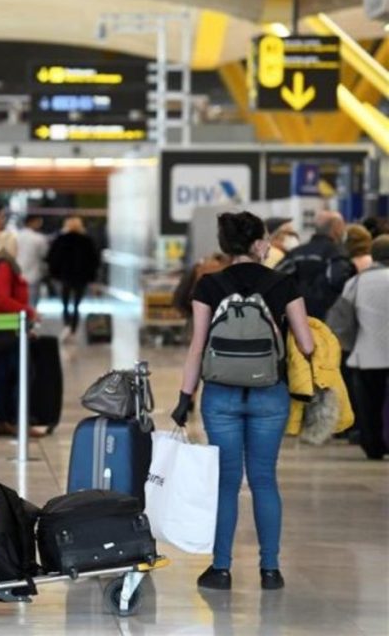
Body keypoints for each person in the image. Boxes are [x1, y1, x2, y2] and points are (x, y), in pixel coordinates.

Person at [171, 211, 314, 592]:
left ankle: (220, 569)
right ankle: (270, 570)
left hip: (220, 396)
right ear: (257, 244)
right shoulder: (283, 283)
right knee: (265, 480)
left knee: (227, 483)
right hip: (270, 393)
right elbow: (307, 344)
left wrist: (186, 397)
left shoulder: (209, 284)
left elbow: (197, 347)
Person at [0, 231, 41, 436]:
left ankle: (2, 420)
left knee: (0, 376)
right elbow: (2, 298)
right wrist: (29, 312)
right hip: (6, 331)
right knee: (21, 375)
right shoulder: (4, 266)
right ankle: (16, 421)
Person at [342, 235, 389, 460]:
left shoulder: (356, 282)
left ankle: (373, 446)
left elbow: (343, 319)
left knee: (369, 404)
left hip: (366, 355)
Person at [275, 210, 353, 320]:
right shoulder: (337, 254)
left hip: (297, 320)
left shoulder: (296, 253)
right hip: (327, 321)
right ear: (336, 227)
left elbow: (277, 279)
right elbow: (339, 281)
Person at [47, 216, 100, 331]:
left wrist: (53, 273)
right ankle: (74, 325)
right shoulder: (86, 240)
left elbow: (52, 258)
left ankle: (66, 322)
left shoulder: (61, 239)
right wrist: (92, 276)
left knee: (65, 300)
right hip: (81, 276)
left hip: (64, 276)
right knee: (77, 301)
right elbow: (94, 260)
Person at [16, 214, 49, 308]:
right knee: (32, 302)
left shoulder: (16, 236)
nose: (40, 224)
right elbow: (44, 254)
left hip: (18, 273)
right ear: (32, 222)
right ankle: (30, 321)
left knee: (19, 301)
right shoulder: (39, 238)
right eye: (38, 222)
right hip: (34, 274)